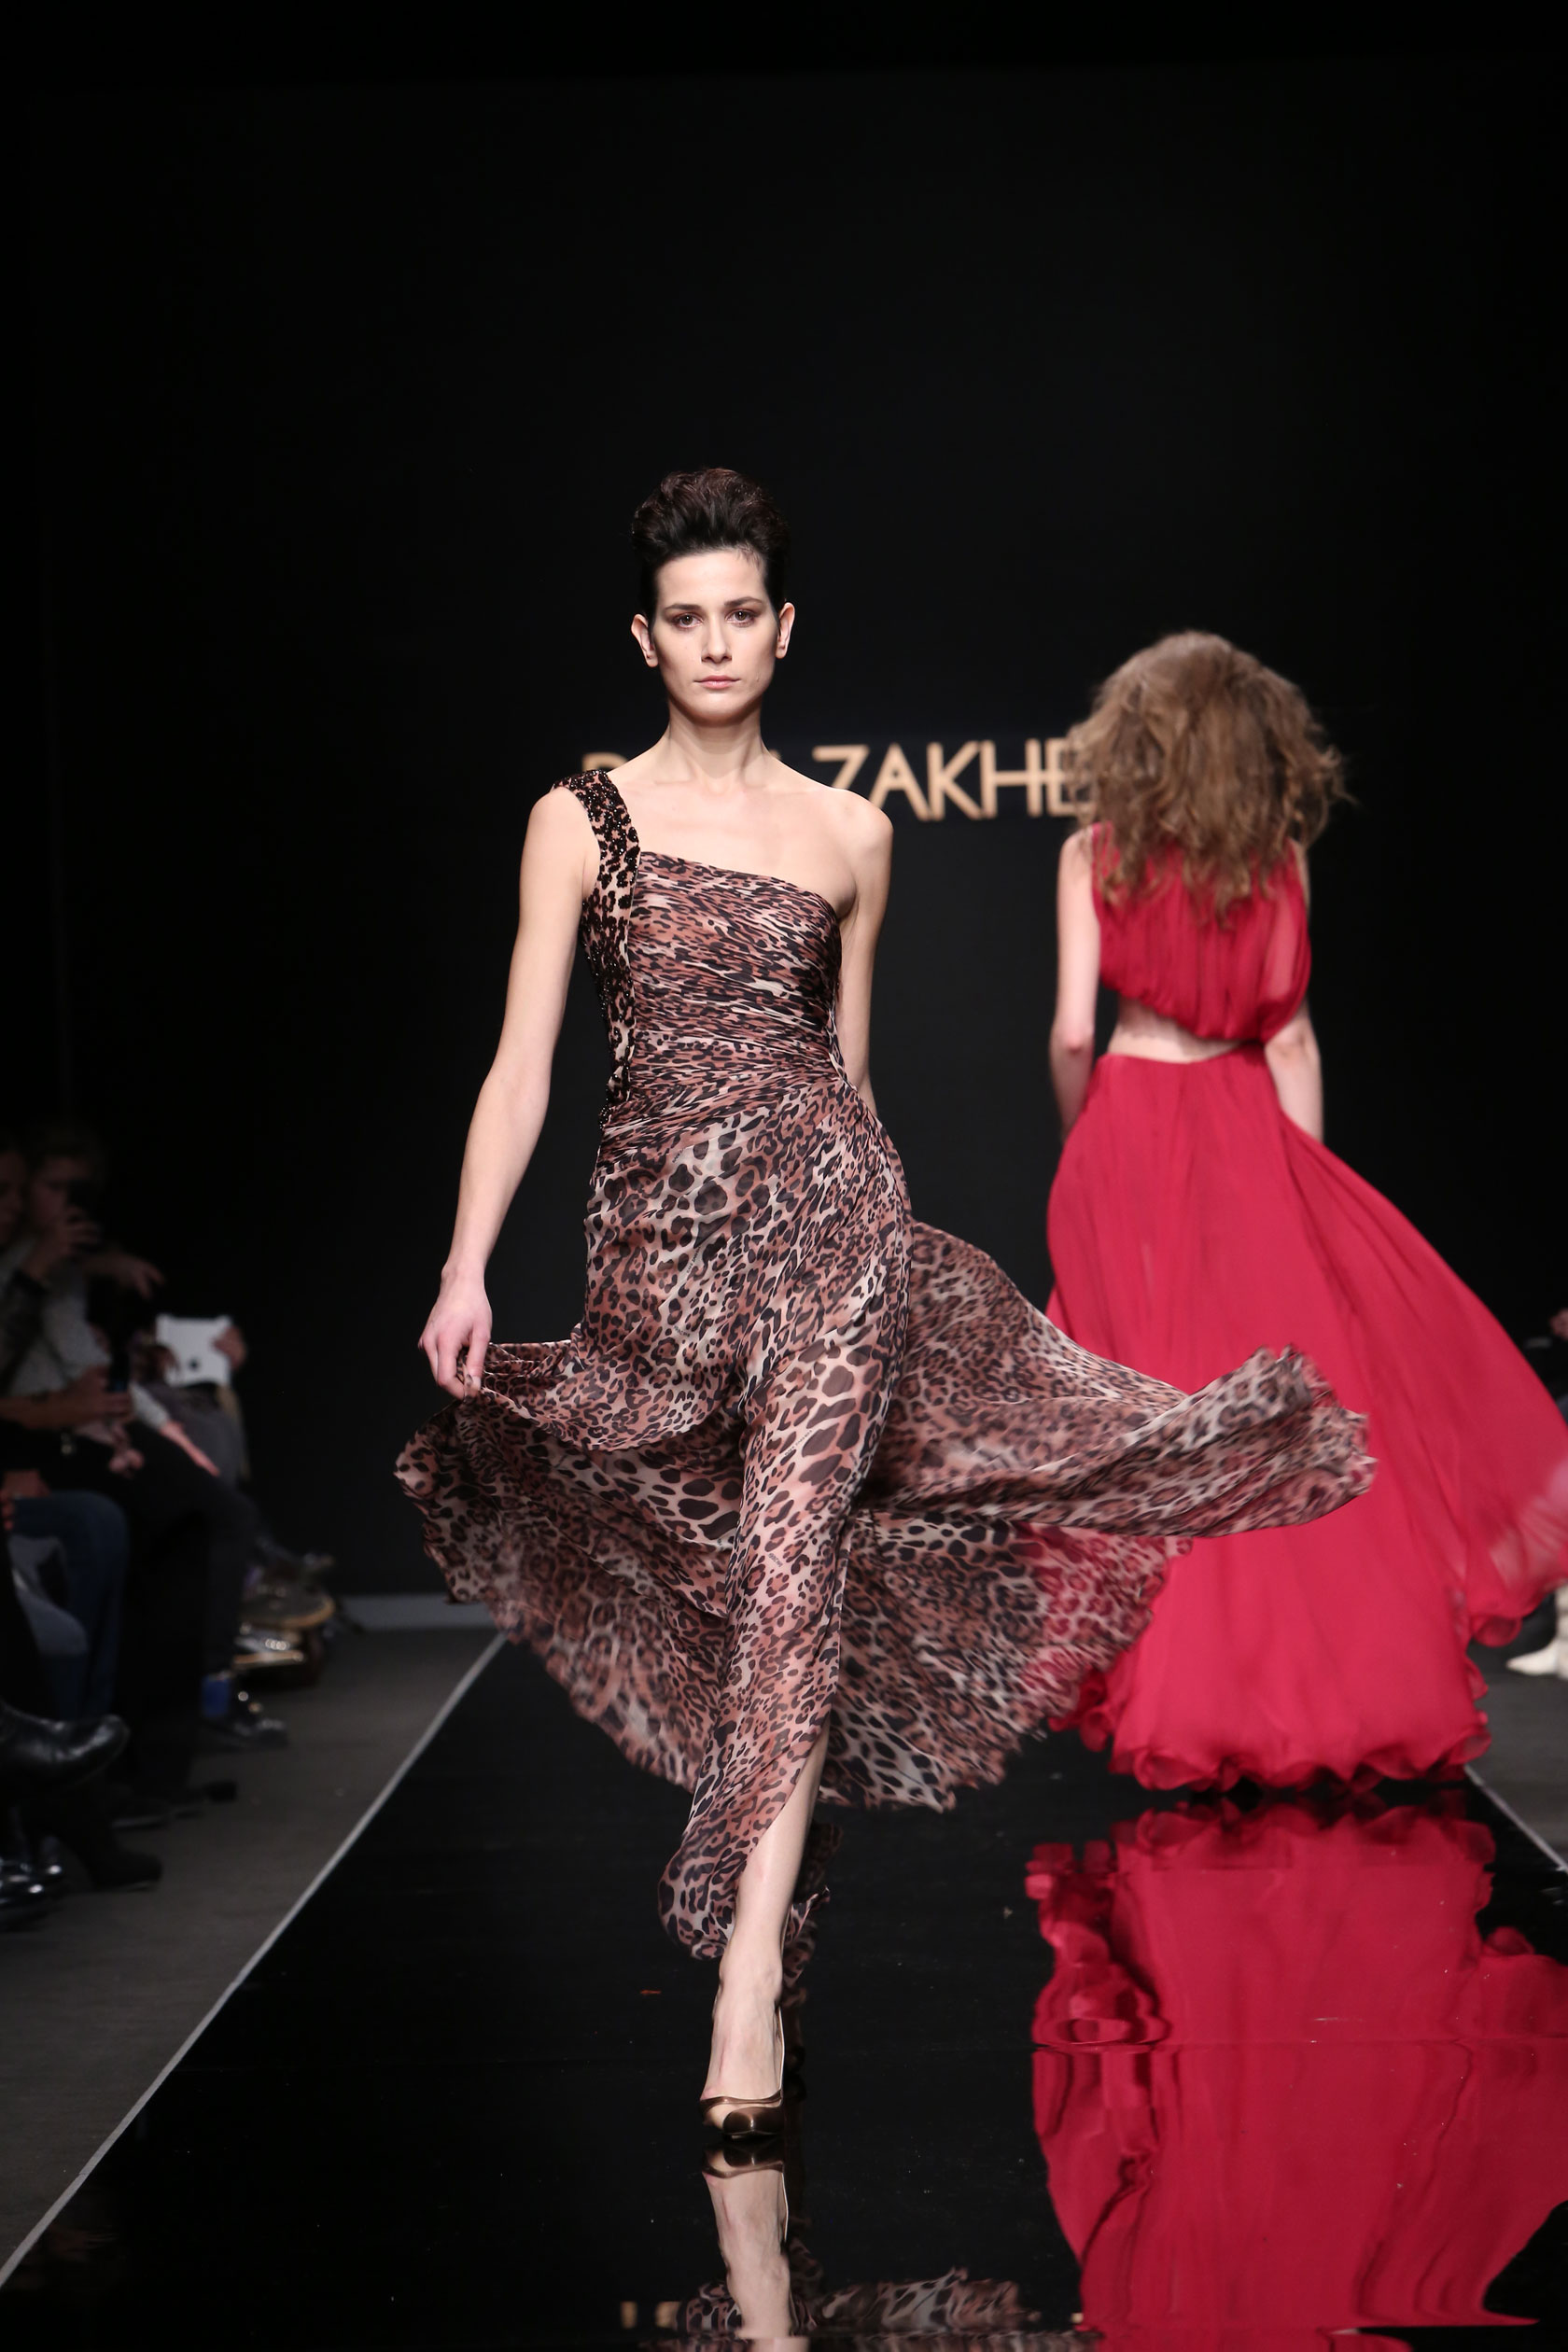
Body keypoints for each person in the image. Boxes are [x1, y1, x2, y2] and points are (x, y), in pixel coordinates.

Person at [398, 473, 1370, 2126]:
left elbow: (848, 1077)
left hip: (834, 1230)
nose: (716, 643)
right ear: (645, 637)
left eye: (741, 614)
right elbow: (522, 1067)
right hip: (662, 1252)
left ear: (784, 629)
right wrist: (465, 1260)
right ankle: (764, 1916)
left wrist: (879, 1264)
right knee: (734, 1580)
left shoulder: (854, 833)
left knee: (796, 1573)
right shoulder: (579, 817)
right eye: (686, 618)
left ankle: (747, 1984)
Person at [1045, 632, 1568, 1787]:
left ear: (1136, 739)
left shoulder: (1095, 854)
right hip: (1247, 1128)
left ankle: (1181, 1696)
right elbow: (1290, 1036)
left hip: (1127, 1128)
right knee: (1280, 1414)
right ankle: (1310, 1698)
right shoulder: (1279, 862)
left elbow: (1075, 1031)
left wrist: (1084, 1138)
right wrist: (1301, 1181)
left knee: (1165, 1414)